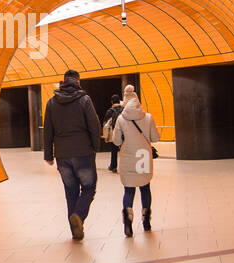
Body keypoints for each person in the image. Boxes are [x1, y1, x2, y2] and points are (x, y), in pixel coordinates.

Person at [43, 69, 101, 241]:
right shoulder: (84, 99)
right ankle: (78, 216)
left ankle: (75, 230)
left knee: (71, 191)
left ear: (63, 81)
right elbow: (94, 124)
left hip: (62, 154)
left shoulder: (52, 102)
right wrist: (95, 146)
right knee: (89, 188)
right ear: (78, 81)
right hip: (83, 152)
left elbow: (48, 130)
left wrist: (48, 154)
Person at [111, 91, 160, 237]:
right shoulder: (148, 117)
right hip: (144, 156)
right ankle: (146, 220)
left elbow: (117, 141)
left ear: (125, 102)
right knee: (145, 188)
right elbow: (155, 137)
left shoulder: (121, 119)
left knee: (129, 190)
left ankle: (128, 220)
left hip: (128, 157)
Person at [102, 93, 123, 172]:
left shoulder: (110, 111)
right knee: (124, 150)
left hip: (114, 133)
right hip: (123, 133)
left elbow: (105, 122)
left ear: (111, 102)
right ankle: (125, 166)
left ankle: (113, 166)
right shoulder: (123, 109)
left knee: (114, 150)